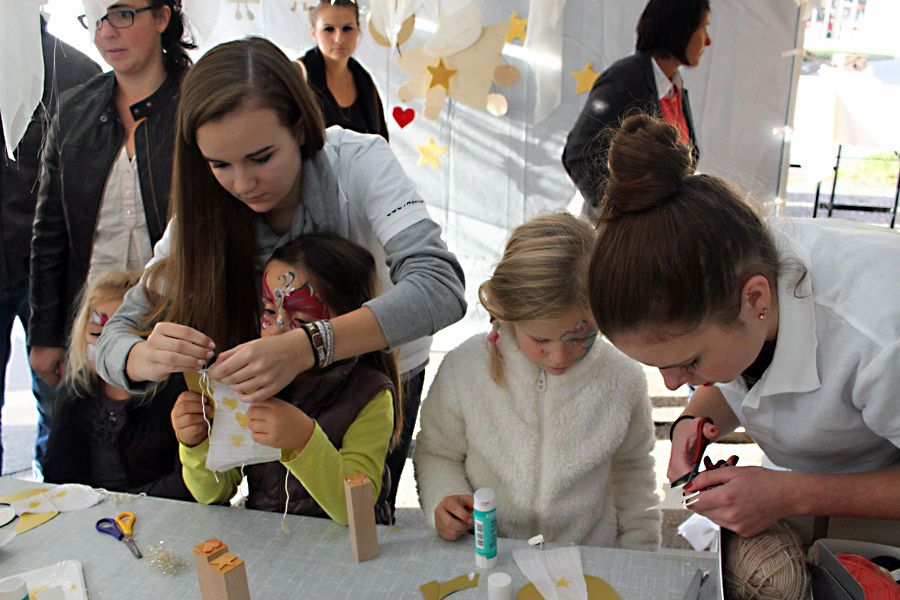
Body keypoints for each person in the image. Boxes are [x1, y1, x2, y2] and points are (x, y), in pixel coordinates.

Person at [94, 38, 466, 519]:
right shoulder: (199, 217)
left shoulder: (360, 162)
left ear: (300, 127)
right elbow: (110, 341)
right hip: (264, 383)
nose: (243, 183)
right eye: (219, 165)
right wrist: (143, 356)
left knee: (360, 518)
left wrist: (308, 346)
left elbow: (440, 286)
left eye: (262, 157)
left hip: (376, 374)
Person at [588, 114, 900, 538]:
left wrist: (793, 494)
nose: (673, 384)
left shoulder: (880, 338)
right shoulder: (731, 260)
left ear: (755, 299)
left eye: (689, 362)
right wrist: (692, 422)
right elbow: (744, 367)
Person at [414, 213, 660, 549]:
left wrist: (640, 553)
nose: (559, 357)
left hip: (589, 558)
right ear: (508, 313)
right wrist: (445, 496)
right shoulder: (465, 368)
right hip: (493, 556)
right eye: (541, 340)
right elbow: (437, 453)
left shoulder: (622, 378)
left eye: (580, 336)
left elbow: (634, 473)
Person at [172, 235, 400, 523]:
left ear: (349, 324)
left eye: (302, 320)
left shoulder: (369, 394)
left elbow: (358, 510)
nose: (277, 329)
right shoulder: (248, 381)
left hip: (346, 546)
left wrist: (303, 439)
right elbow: (213, 494)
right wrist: (196, 443)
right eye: (269, 311)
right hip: (269, 541)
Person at [29, 0, 194, 395]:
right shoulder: (74, 111)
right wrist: (45, 335)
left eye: (122, 14)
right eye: (96, 19)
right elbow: (50, 233)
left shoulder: (197, 103)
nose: (106, 32)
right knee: (81, 430)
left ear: (162, 16)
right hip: (92, 326)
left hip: (177, 323)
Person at [0, 16, 100, 474]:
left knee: (62, 402)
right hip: (52, 265)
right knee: (59, 405)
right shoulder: (78, 69)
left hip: (54, 267)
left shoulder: (76, 72)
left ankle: (55, 493)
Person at [42, 269, 192, 500]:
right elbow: (58, 480)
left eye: (123, 339)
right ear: (81, 335)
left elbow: (188, 483)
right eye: (96, 334)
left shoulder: (175, 392)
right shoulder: (73, 395)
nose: (106, 350)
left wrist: (124, 503)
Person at [562, 0, 710, 221]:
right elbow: (578, 153)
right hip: (619, 233)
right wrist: (616, 216)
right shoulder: (625, 78)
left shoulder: (675, 88)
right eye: (703, 28)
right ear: (681, 28)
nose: (707, 41)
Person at [298, 0, 389, 140]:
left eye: (347, 28)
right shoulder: (298, 76)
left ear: (358, 30)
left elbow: (381, 142)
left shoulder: (365, 81)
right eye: (329, 29)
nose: (339, 39)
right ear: (314, 32)